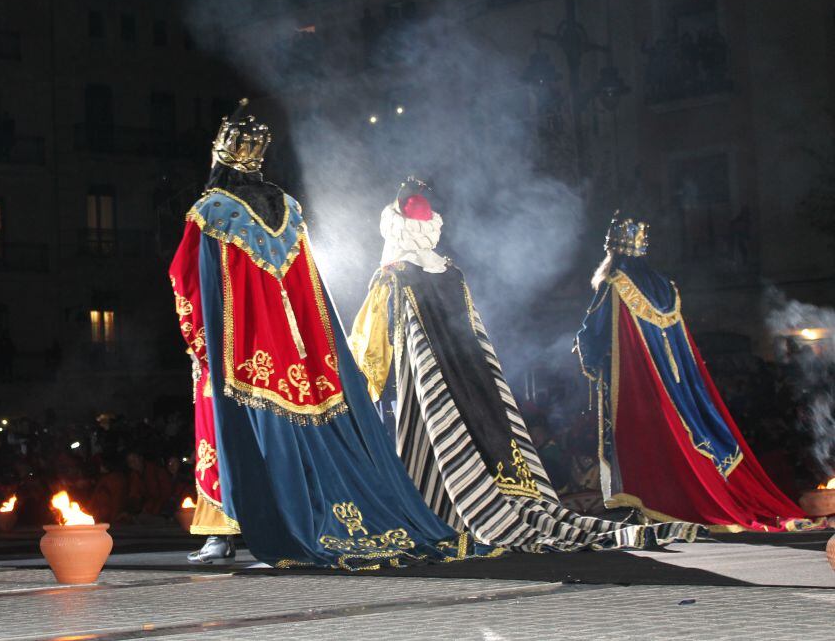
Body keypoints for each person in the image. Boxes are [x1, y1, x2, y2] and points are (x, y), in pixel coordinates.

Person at [169, 102, 495, 568]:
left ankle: (225, 534)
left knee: (222, 428)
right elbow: (308, 290)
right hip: (303, 353)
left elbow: (192, 280)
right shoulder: (289, 208)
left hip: (242, 352)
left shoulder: (211, 211)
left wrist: (201, 342)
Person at [351, 181, 698, 551]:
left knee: (437, 447)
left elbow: (369, 348)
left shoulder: (394, 274)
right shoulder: (451, 272)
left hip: (430, 383)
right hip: (476, 382)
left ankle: (441, 505)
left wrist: (363, 382)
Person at [576, 212, 823, 531]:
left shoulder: (615, 283)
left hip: (638, 386)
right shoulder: (665, 286)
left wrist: (586, 353)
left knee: (646, 441)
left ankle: (651, 503)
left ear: (612, 251)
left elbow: (594, 332)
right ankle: (664, 502)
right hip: (678, 387)